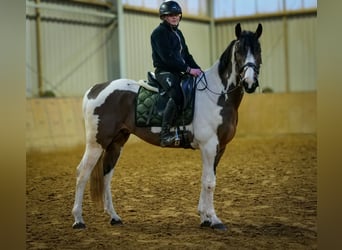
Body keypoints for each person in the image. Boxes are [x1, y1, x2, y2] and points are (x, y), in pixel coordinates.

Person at [151, 0, 202, 147]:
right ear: (164, 17)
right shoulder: (158, 33)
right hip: (164, 71)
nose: (174, 17)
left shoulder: (178, 33)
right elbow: (167, 58)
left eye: (176, 15)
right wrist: (188, 70)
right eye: (170, 15)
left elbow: (186, 55)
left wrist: (199, 70)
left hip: (178, 71)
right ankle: (165, 134)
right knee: (177, 94)